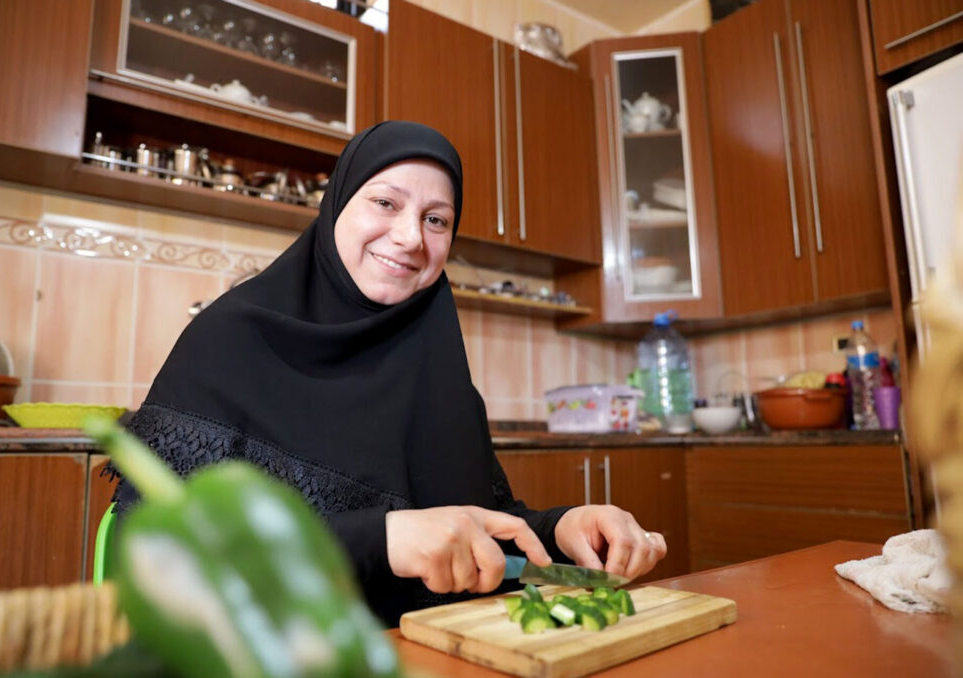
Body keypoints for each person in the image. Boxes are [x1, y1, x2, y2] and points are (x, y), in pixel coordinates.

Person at [110, 121, 667, 626]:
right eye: (385, 202)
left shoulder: (441, 373)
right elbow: (155, 552)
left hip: (447, 653)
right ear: (336, 207)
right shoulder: (228, 340)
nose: (410, 238)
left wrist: (565, 531)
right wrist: (382, 539)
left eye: (435, 219)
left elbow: (485, 540)